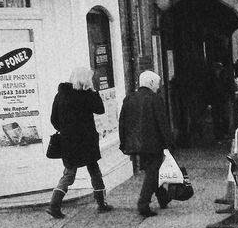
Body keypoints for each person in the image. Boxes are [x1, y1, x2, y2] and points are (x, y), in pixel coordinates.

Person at [46, 66, 111, 219]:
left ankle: (54, 205)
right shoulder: (86, 95)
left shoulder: (60, 95)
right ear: (85, 80)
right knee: (94, 170)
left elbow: (53, 119)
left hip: (68, 141)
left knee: (69, 174)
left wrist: (65, 130)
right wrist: (94, 91)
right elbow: (100, 109)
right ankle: (101, 203)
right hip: (86, 140)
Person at [118, 69, 176, 218]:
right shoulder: (155, 99)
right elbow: (162, 123)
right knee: (152, 172)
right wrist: (169, 143)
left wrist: (123, 142)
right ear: (151, 83)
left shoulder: (129, 98)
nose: (158, 87)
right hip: (152, 142)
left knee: (152, 170)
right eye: (157, 84)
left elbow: (122, 122)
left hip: (135, 142)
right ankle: (143, 204)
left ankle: (163, 197)